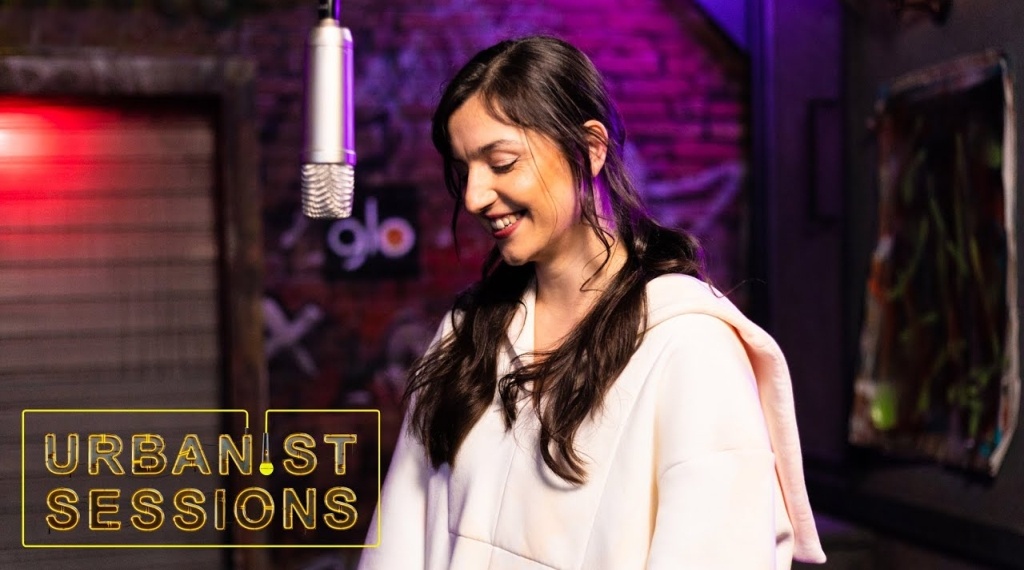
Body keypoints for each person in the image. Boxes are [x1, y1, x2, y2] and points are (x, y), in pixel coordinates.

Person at [358, 35, 826, 569]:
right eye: (465, 170)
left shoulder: (690, 349)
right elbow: (398, 541)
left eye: (502, 163)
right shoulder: (466, 334)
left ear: (590, 149)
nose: (473, 197)